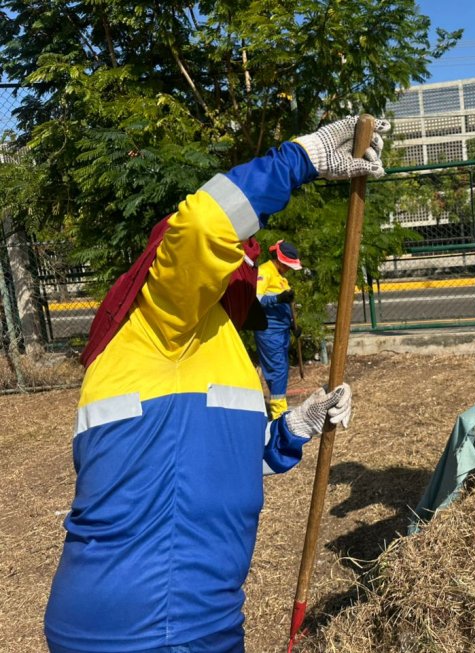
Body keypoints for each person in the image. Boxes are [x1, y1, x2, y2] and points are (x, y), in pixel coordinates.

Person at [44, 116, 390, 653]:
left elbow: (214, 458)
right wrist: (302, 159)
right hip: (149, 628)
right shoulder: (162, 322)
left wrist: (294, 429)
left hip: (195, 618)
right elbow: (205, 223)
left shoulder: (206, 347)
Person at [256, 239, 304, 419]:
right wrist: (278, 299)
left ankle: (281, 408)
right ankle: (278, 414)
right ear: (279, 260)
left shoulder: (280, 276)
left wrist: (292, 324)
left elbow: (285, 305)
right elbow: (256, 300)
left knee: (281, 369)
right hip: (269, 332)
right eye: (288, 265)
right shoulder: (264, 272)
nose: (289, 269)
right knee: (277, 370)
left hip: (281, 331)